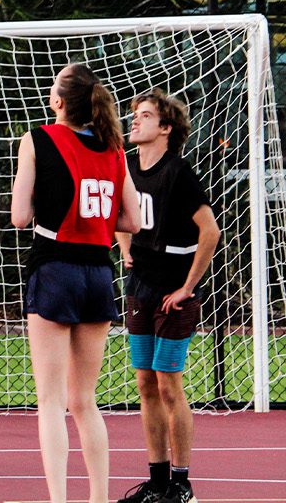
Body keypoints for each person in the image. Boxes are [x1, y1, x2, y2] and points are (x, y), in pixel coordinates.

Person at [10, 64, 142, 503]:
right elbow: (133, 221)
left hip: (55, 266)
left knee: (50, 400)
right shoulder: (115, 150)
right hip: (99, 272)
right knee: (84, 400)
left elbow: (19, 216)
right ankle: (99, 498)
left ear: (59, 101)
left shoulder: (38, 139)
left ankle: (59, 500)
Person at [116, 90, 221, 503]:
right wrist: (125, 247)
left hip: (173, 293)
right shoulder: (126, 168)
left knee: (168, 385)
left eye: (144, 115)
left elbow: (210, 231)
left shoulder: (178, 173)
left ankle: (181, 483)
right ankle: (157, 481)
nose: (135, 120)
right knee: (145, 383)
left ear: (165, 127)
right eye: (134, 114)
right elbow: (119, 215)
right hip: (140, 287)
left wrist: (188, 287)